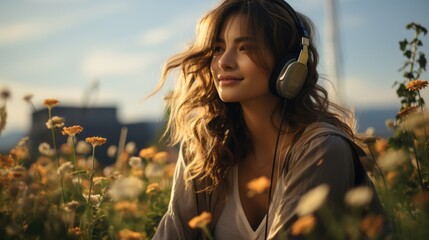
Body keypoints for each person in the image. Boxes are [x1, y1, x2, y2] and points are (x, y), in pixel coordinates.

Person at [152, 0, 387, 239]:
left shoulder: (324, 149)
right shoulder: (203, 150)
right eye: (218, 49)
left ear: (291, 64)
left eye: (245, 48)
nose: (224, 62)